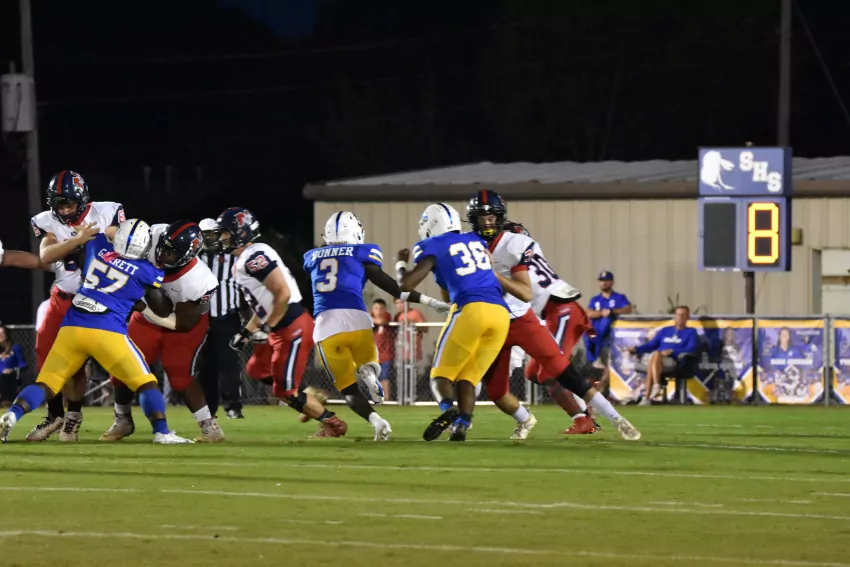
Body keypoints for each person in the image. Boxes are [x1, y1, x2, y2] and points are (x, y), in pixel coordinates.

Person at [465, 190, 640, 441]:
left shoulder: (515, 247)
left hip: (559, 309)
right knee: (527, 375)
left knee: (552, 372)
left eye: (492, 218)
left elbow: (522, 289)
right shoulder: (505, 245)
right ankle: (580, 416)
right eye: (482, 219)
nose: (488, 224)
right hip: (535, 314)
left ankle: (597, 417)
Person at [0, 219, 192, 444]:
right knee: (145, 382)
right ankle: (162, 432)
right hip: (107, 330)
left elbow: (99, 235)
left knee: (46, 383)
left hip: (72, 327)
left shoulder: (97, 246)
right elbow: (160, 307)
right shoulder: (148, 270)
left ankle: (12, 415)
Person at [305, 210, 449, 440]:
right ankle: (370, 372)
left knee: (348, 389)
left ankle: (378, 422)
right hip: (358, 319)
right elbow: (393, 288)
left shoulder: (312, 256)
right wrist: (430, 301)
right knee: (371, 363)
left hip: (326, 324)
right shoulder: (362, 252)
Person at [99, 220, 223, 443]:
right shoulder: (152, 234)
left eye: (172, 253)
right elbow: (117, 235)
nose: (164, 254)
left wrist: (144, 302)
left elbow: (181, 323)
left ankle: (210, 427)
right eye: (164, 247)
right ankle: (122, 420)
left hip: (183, 322)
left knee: (179, 374)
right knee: (122, 365)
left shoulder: (200, 280)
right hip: (146, 317)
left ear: (187, 256)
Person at [397, 202, 510, 442]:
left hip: (472, 310)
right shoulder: (476, 240)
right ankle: (461, 426)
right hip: (501, 314)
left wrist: (401, 264)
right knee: (468, 378)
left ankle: (449, 410)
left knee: (440, 376)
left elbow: (405, 286)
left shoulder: (433, 244)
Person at [27, 170, 126, 442]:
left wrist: (99, 239)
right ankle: (54, 414)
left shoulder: (106, 212)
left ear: (82, 199)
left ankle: (76, 416)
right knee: (45, 356)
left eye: (69, 204)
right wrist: (78, 241)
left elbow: (122, 244)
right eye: (59, 205)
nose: (65, 210)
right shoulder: (47, 221)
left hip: (97, 301)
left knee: (84, 364)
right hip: (62, 298)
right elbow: (46, 255)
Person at [500, 220, 600, 435]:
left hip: (562, 312)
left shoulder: (514, 263)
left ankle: (584, 417)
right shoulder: (525, 257)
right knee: (532, 372)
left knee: (548, 373)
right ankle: (584, 404)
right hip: (554, 314)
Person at [197, 217, 245, 419]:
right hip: (201, 320)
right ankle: (209, 408)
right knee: (205, 367)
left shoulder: (233, 258)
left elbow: (244, 288)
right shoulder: (194, 258)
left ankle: (233, 406)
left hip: (227, 318)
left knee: (230, 364)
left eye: (212, 234)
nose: (209, 239)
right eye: (205, 235)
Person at [629, 305, 699, 405]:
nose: (680, 317)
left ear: (688, 317)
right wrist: (636, 349)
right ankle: (653, 390)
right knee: (655, 357)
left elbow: (692, 348)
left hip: (675, 361)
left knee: (654, 358)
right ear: (674, 316)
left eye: (683, 315)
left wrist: (673, 351)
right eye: (678, 315)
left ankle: (648, 396)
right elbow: (651, 345)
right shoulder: (665, 330)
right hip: (658, 360)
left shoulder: (691, 332)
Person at [371, 299, 396, 402]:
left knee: (385, 376)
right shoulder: (370, 319)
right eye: (376, 308)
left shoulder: (386, 316)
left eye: (381, 308)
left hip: (386, 354)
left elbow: (381, 321)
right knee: (375, 377)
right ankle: (378, 397)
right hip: (373, 354)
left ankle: (387, 399)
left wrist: (368, 318)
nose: (378, 311)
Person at [0, 324, 27, 408]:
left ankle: (7, 400)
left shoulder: (15, 348)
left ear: (7, 335)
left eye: (2, 333)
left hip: (10, 378)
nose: (0, 336)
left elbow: (23, 365)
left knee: (5, 377)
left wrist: (13, 370)